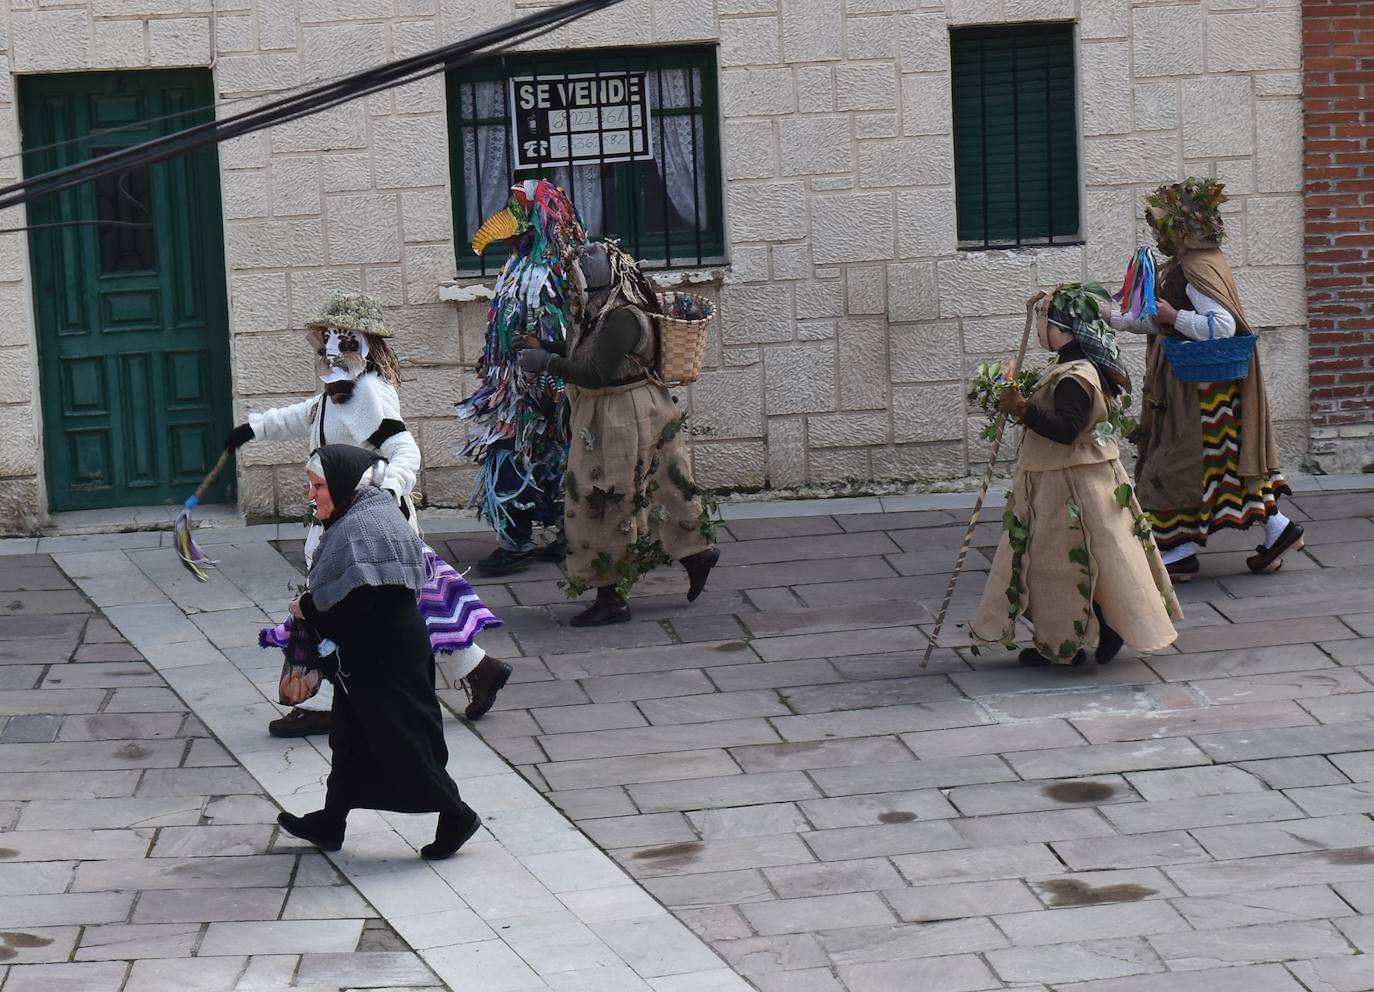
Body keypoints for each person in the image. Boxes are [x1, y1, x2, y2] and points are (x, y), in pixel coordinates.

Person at [227, 290, 507, 737]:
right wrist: (253, 428)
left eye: (346, 343)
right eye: (327, 345)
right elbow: (307, 415)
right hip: (340, 517)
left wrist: (386, 494)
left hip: (367, 523)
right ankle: (478, 670)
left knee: (348, 605)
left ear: (365, 346)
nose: (333, 352)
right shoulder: (337, 394)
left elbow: (403, 449)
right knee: (401, 605)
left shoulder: (369, 394)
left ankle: (337, 697)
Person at [276, 445, 482, 860]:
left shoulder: (363, 529)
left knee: (402, 743)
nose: (312, 495)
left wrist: (307, 608)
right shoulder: (367, 513)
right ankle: (331, 822)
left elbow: (358, 600)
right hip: (372, 656)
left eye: (318, 486)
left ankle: (457, 814)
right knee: (349, 741)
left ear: (341, 484)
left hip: (388, 662)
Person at [1104, 178, 1302, 581]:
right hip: (1195, 388)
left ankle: (1178, 549)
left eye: (1163, 227)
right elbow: (1156, 318)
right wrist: (1112, 315)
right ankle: (1277, 529)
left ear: (1183, 228)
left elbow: (1222, 326)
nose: (1158, 235)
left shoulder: (1198, 268)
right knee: (1222, 465)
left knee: (1178, 462)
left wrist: (1173, 318)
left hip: (1199, 394)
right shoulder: (1185, 266)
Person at [972, 290, 1181, 666]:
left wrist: (1021, 409)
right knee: (1084, 562)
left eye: (1044, 324)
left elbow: (1066, 430)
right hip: (1073, 480)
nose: (1039, 331)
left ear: (1061, 329)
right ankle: (1083, 634)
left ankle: (1066, 643)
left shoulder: (1076, 376)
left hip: (1068, 487)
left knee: (1057, 564)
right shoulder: (1074, 366)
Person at [516, 241, 719, 627]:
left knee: (606, 497)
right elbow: (587, 354)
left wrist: (546, 362)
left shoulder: (623, 318)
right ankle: (695, 554)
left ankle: (611, 598)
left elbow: (595, 373)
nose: (578, 271)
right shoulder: (600, 314)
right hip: (617, 413)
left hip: (624, 416)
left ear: (607, 274)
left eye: (586, 266)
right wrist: (546, 347)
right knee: (646, 493)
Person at [459, 180, 587, 577]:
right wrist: (492, 356)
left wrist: (541, 351)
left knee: (538, 456)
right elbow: (506, 320)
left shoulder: (557, 269)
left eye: (520, 213)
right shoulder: (517, 265)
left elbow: (564, 329)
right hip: (510, 385)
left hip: (542, 387)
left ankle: (529, 542)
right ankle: (537, 538)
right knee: (526, 454)